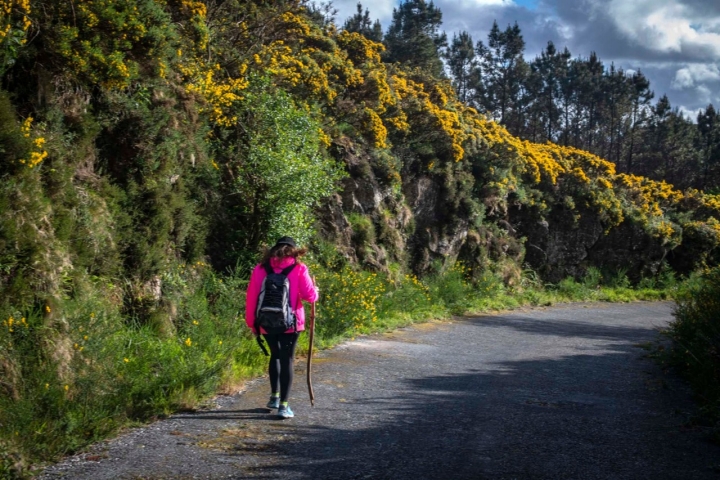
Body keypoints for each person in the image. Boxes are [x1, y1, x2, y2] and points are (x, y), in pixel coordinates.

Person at [245, 236, 318, 419]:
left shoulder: (260, 269)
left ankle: (274, 397)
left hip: (266, 322)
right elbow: (309, 296)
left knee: (275, 356)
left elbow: (252, 298)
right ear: (293, 251)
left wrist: (251, 322)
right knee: (287, 360)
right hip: (290, 324)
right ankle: (284, 406)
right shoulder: (299, 268)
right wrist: (316, 292)